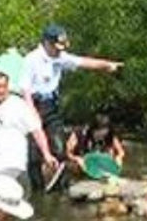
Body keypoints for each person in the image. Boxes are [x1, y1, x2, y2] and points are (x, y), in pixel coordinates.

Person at [20, 25, 123, 191]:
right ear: (46, 43)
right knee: (34, 154)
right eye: (56, 47)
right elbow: (25, 92)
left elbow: (84, 62)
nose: (59, 51)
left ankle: (62, 188)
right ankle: (38, 192)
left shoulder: (60, 57)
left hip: (51, 106)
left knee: (59, 148)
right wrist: (33, 117)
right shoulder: (30, 60)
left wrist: (107, 65)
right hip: (33, 106)